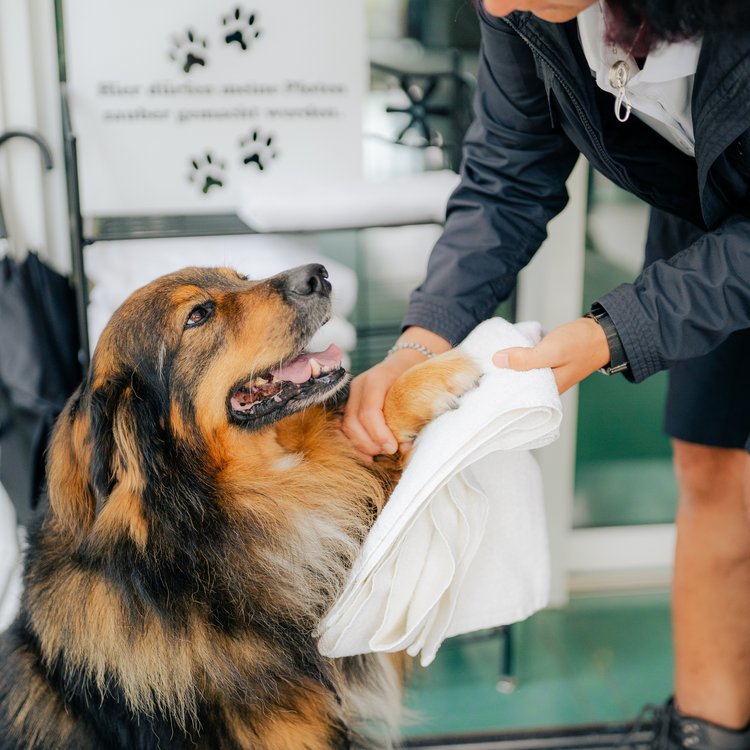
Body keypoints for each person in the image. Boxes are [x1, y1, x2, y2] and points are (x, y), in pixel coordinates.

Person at [342, 1, 750, 748]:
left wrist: (617, 330)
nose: (494, 6)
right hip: (707, 223)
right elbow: (507, 174)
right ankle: (708, 731)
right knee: (712, 468)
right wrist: (420, 344)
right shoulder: (525, 9)